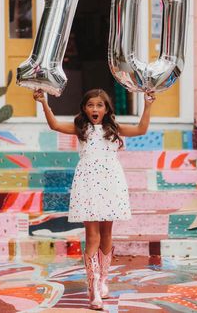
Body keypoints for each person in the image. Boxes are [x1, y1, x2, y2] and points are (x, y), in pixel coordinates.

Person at [33, 88, 155, 310]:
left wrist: (147, 105)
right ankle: (94, 289)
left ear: (107, 109)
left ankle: (103, 279)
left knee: (107, 233)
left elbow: (141, 128)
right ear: (84, 108)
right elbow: (55, 125)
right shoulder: (82, 129)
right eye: (91, 105)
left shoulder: (113, 129)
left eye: (100, 105)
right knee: (92, 236)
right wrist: (43, 102)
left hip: (111, 182)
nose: (95, 109)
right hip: (88, 183)